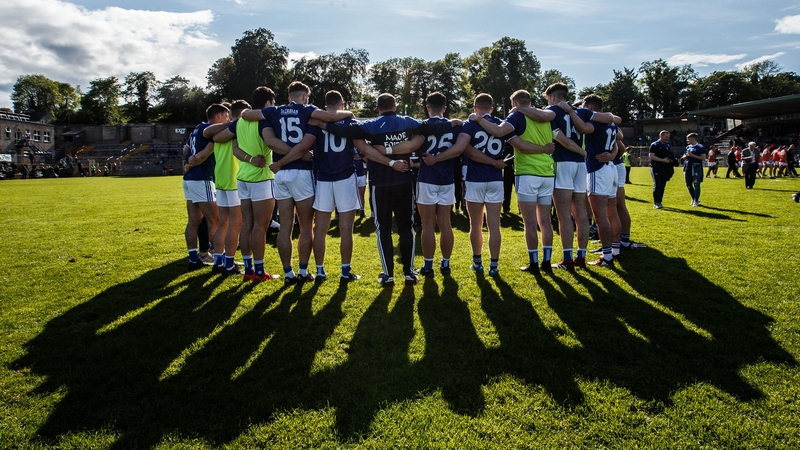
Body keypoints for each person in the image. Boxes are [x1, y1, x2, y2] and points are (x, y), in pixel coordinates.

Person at [322, 93, 459, 287]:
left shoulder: (371, 125)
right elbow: (430, 127)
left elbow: (348, 133)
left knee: (383, 230)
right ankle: (409, 273)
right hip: (404, 181)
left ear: (378, 108)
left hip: (380, 184)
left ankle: (389, 275)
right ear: (395, 106)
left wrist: (324, 125)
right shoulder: (407, 121)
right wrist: (452, 124)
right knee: (406, 228)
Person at [242, 81, 354, 284]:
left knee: (285, 227)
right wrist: (348, 114)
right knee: (305, 227)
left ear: (288, 97)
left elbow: (250, 119)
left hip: (281, 174)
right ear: (304, 97)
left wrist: (284, 158)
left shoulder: (274, 111)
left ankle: (288, 273)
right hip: (301, 174)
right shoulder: (307, 109)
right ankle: (303, 271)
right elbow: (329, 117)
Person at [471, 90, 557, 273]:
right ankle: (547, 262)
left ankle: (534, 263)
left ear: (515, 104)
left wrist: (478, 119)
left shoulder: (516, 116)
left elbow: (507, 136)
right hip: (548, 172)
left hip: (527, 173)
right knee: (546, 221)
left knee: (530, 222)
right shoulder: (544, 116)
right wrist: (545, 149)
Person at [307, 90, 363, 282]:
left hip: (323, 178)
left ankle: (320, 271)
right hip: (345, 176)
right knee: (346, 228)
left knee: (320, 228)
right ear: (342, 105)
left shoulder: (316, 121)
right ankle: (345, 272)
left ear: (325, 107)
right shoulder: (349, 121)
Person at [192, 99, 250, 277]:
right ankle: (229, 264)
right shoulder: (236, 129)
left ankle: (219, 261)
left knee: (223, 223)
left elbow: (208, 137)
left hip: (221, 180)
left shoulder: (218, 132)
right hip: (233, 180)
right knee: (235, 224)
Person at [411, 92, 462, 278]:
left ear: (427, 107)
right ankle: (446, 264)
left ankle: (428, 266)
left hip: (427, 179)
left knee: (427, 225)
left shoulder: (423, 126)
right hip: (447, 180)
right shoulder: (454, 126)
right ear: (444, 108)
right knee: (445, 223)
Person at [580, 94, 621, 266]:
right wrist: (612, 153)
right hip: (610, 168)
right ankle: (615, 250)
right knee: (612, 211)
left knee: (600, 216)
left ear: (589, 107)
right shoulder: (610, 122)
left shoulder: (596, 122)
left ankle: (607, 257)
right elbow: (617, 141)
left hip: (597, 168)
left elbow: (582, 128)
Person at [184, 104, 226, 271]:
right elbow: (210, 133)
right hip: (202, 178)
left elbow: (185, 151)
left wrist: (190, 161)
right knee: (214, 220)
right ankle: (219, 260)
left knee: (194, 220)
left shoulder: (195, 130)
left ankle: (193, 259)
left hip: (189, 179)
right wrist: (236, 123)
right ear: (219, 115)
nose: (228, 119)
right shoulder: (207, 128)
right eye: (227, 115)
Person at [649, 130, 673, 209]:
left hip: (665, 168)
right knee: (657, 184)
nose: (667, 139)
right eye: (666, 137)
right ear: (661, 136)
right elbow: (651, 156)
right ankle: (656, 202)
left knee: (662, 185)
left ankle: (659, 201)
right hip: (656, 167)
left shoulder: (667, 145)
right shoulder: (654, 145)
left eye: (668, 137)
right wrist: (662, 160)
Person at [681, 132, 707, 207]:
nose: (687, 141)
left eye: (688, 139)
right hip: (688, 166)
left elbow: (703, 157)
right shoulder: (688, 147)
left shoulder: (700, 147)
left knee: (696, 184)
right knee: (688, 184)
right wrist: (685, 157)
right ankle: (694, 198)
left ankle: (696, 200)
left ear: (693, 138)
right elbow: (684, 155)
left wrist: (692, 155)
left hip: (696, 167)